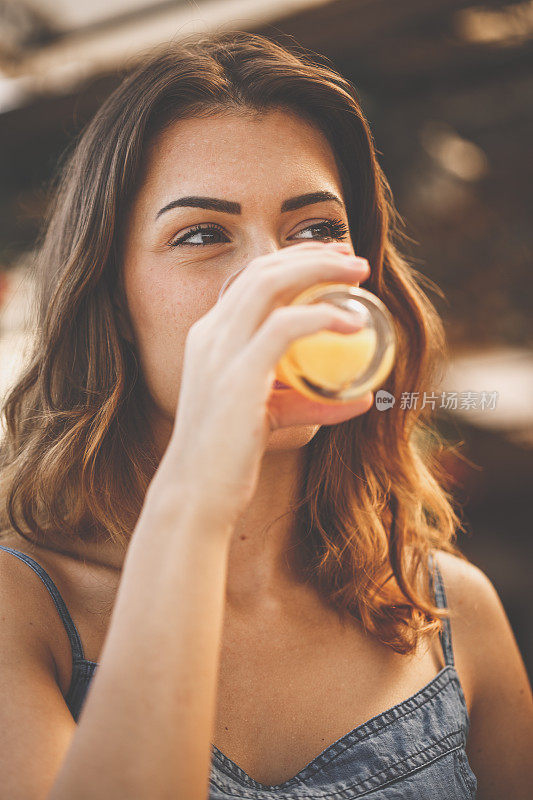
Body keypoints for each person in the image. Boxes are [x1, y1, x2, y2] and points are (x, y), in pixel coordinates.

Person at [0, 30, 531, 800]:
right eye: (203, 235)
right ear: (112, 303)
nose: (274, 281)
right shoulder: (24, 611)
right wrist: (196, 494)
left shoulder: (451, 610)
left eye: (315, 229)